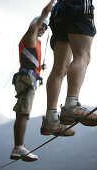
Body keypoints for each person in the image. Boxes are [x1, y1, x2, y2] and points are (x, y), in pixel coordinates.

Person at [40, 0, 97, 135]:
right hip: (78, 4)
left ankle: (51, 120)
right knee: (82, 56)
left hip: (60, 9)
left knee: (59, 68)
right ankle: (71, 104)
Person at [10, 0, 60, 162]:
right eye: (42, 25)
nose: (44, 28)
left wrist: (39, 66)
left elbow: (30, 57)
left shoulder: (36, 42)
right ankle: (19, 147)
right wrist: (53, 3)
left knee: (24, 112)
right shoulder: (31, 32)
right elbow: (43, 15)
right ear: (34, 24)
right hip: (26, 79)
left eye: (46, 27)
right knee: (23, 113)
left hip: (28, 78)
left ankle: (19, 146)